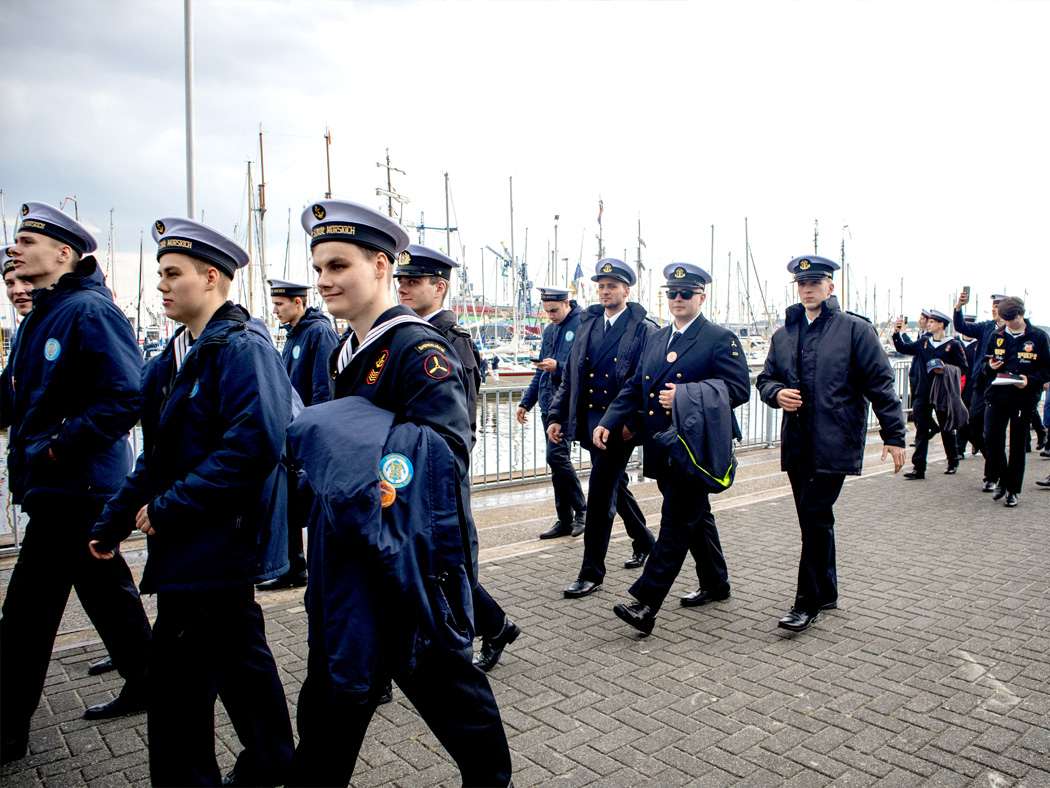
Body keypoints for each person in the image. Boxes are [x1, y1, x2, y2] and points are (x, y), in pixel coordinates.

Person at [288, 200, 511, 787]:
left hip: (405, 559)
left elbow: (445, 452)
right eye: (318, 268)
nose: (324, 280)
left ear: (381, 265)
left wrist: (356, 451)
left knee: (447, 689)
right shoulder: (345, 350)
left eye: (338, 265)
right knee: (334, 695)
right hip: (348, 557)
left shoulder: (417, 348)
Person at [88, 217, 295, 785]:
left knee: (185, 676)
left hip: (215, 541)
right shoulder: (174, 359)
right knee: (231, 661)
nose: (160, 285)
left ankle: (235, 770)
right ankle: (273, 762)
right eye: (159, 273)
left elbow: (254, 447)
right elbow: (155, 457)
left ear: (211, 278)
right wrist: (112, 521)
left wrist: (168, 507)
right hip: (190, 544)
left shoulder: (242, 349)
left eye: (171, 273)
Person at [0, 204, 152, 765]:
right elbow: (17, 394)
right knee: (105, 592)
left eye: (25, 241)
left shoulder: (88, 311)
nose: (14, 251)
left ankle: (7, 725)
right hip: (64, 487)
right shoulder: (45, 314)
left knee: (26, 614)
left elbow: (125, 396)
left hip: (77, 486)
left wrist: (59, 446)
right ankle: (146, 677)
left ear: (63, 253)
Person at [756, 255, 907, 633]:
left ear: (830, 287)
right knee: (816, 521)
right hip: (797, 442)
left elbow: (880, 384)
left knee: (814, 516)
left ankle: (806, 603)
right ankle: (827, 590)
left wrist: (894, 435)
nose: (807, 289)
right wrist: (777, 395)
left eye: (815, 282)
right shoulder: (784, 333)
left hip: (835, 440)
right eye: (802, 284)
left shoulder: (854, 330)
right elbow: (765, 379)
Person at [600, 263, 750, 636]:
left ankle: (646, 603)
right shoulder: (658, 337)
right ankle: (717, 582)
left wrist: (685, 396)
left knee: (675, 523)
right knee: (697, 517)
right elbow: (636, 385)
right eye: (672, 294)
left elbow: (740, 389)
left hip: (696, 447)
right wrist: (608, 420)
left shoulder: (719, 338)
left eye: (686, 294)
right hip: (662, 446)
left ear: (702, 296)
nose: (678, 300)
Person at [394, 244, 520, 672]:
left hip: (441, 470)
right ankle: (491, 625)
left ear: (439, 287)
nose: (403, 289)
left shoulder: (451, 340)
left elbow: (460, 420)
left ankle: (485, 630)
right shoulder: (408, 332)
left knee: (453, 561)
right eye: (401, 282)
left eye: (413, 282)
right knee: (427, 559)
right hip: (413, 468)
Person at [546, 258, 657, 599]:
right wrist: (556, 416)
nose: (606, 291)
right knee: (613, 486)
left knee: (599, 495)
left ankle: (591, 572)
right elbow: (571, 378)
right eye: (602, 286)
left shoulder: (643, 329)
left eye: (613, 286)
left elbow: (647, 384)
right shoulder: (588, 325)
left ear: (627, 289)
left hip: (619, 426)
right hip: (588, 421)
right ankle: (645, 542)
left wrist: (633, 426)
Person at [256, 278, 340, 592]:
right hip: (291, 432)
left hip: (308, 433)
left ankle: (313, 567)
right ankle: (294, 565)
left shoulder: (317, 332)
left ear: (298, 303)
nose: (275, 310)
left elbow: (323, 389)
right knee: (289, 501)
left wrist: (312, 432)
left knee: (311, 503)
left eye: (280, 304)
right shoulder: (294, 335)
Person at [517, 287, 587, 539]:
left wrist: (558, 366)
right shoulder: (549, 330)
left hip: (567, 404)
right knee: (556, 464)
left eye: (554, 311)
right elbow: (540, 369)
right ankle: (564, 519)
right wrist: (526, 402)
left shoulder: (581, 324)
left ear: (567, 303)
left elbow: (584, 365)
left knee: (556, 457)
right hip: (548, 403)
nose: (550, 316)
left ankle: (582, 509)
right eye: (546, 312)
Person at [981, 296, 1050, 507]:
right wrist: (990, 367)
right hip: (998, 396)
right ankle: (1002, 477)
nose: (1008, 324)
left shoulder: (1038, 337)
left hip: (1023, 399)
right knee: (991, 438)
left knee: (1018, 446)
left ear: (1021, 314)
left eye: (1012, 320)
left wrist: (1030, 380)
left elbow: (1046, 370)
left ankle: (1012, 490)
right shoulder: (997, 334)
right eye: (1005, 320)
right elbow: (985, 364)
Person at [893, 309, 968, 478]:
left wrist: (946, 369)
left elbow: (964, 368)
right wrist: (897, 333)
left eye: (932, 322)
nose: (928, 324)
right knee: (921, 429)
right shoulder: (924, 342)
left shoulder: (953, 345)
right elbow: (904, 348)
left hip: (942, 393)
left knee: (946, 428)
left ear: (941, 324)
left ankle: (952, 459)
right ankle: (919, 468)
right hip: (923, 391)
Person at [954, 291, 1006, 491]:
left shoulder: (1009, 333)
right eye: (992, 306)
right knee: (972, 425)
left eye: (998, 306)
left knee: (992, 432)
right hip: (981, 383)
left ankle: (992, 475)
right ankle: (996, 463)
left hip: (1001, 386)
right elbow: (961, 327)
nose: (993, 309)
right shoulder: (986, 327)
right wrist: (958, 307)